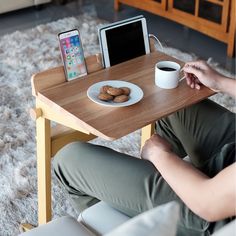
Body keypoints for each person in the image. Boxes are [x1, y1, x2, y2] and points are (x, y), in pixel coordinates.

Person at [53, 61, 236, 235]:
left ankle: (121, 222)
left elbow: (209, 203)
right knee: (172, 103)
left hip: (216, 215)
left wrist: (160, 155)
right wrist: (222, 82)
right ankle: (143, 188)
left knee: (68, 159)